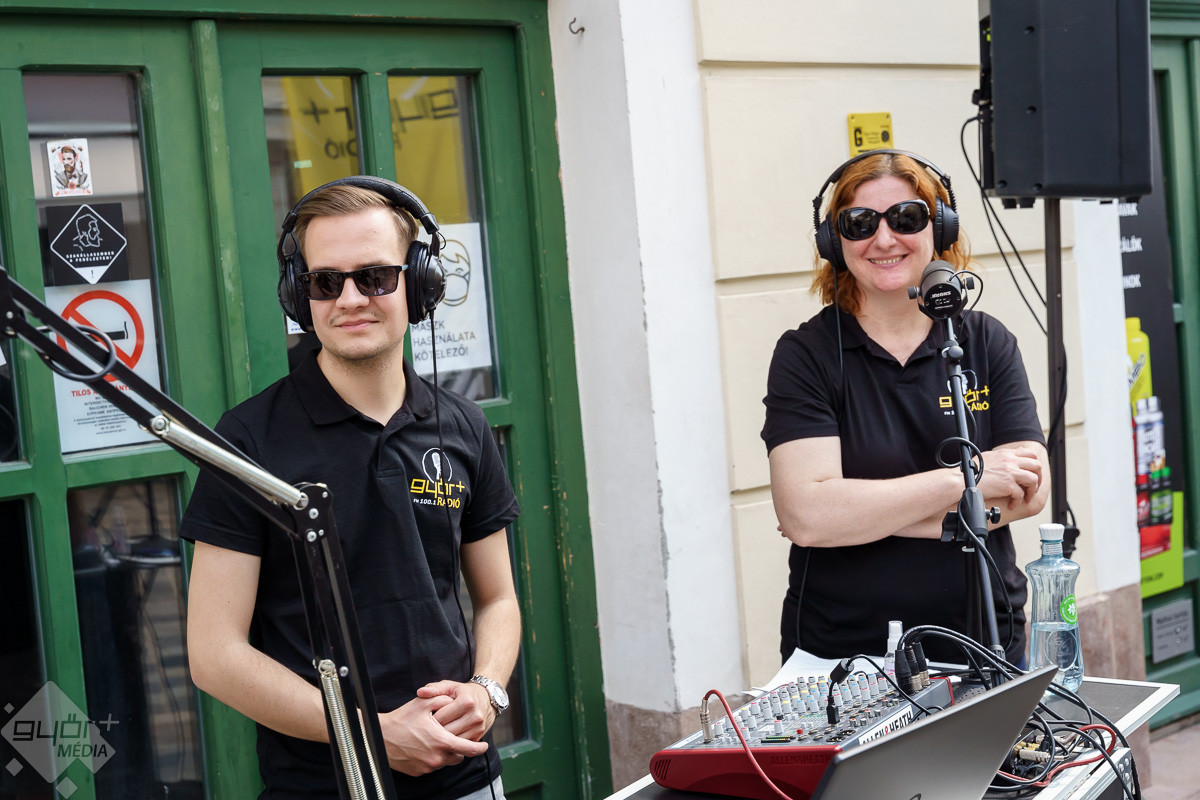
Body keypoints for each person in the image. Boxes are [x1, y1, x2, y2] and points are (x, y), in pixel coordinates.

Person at [180, 178, 521, 799]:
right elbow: (215, 653)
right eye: (325, 282)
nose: (350, 299)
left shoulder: (464, 425)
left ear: (419, 284)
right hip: (320, 787)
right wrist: (371, 734)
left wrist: (487, 690)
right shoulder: (249, 439)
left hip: (468, 779)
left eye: (375, 277)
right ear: (299, 293)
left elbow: (497, 598)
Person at [761, 150, 1049, 666]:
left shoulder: (987, 342)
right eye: (860, 223)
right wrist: (967, 481)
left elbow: (1029, 494)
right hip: (841, 654)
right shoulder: (805, 355)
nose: (884, 238)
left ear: (941, 228)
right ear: (834, 242)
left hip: (985, 639)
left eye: (906, 218)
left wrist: (856, 515)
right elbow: (807, 518)